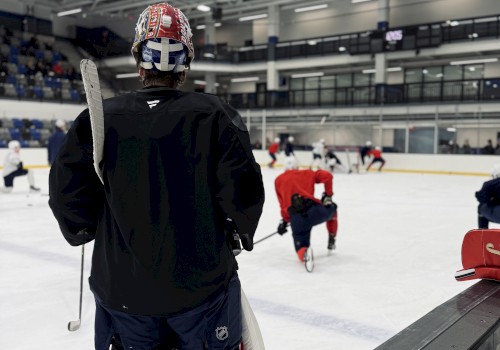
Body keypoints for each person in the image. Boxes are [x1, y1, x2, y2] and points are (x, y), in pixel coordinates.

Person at [48, 3, 265, 350]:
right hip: (203, 290)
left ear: (139, 61)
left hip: (122, 293)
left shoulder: (100, 118)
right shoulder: (215, 115)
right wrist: (239, 232)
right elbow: (244, 192)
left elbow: (66, 193)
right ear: (185, 64)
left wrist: (83, 229)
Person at [274, 157, 338, 264]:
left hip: (297, 219)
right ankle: (332, 236)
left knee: (301, 248)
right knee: (333, 211)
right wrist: (328, 195)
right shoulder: (307, 173)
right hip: (315, 211)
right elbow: (328, 176)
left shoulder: (278, 180)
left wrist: (285, 221)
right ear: (297, 166)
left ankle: (305, 254)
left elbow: (283, 204)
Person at [476, 164, 500, 229]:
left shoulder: (489, 184)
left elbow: (481, 198)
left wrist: (492, 200)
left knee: (480, 207)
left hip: (497, 213)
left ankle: (482, 232)